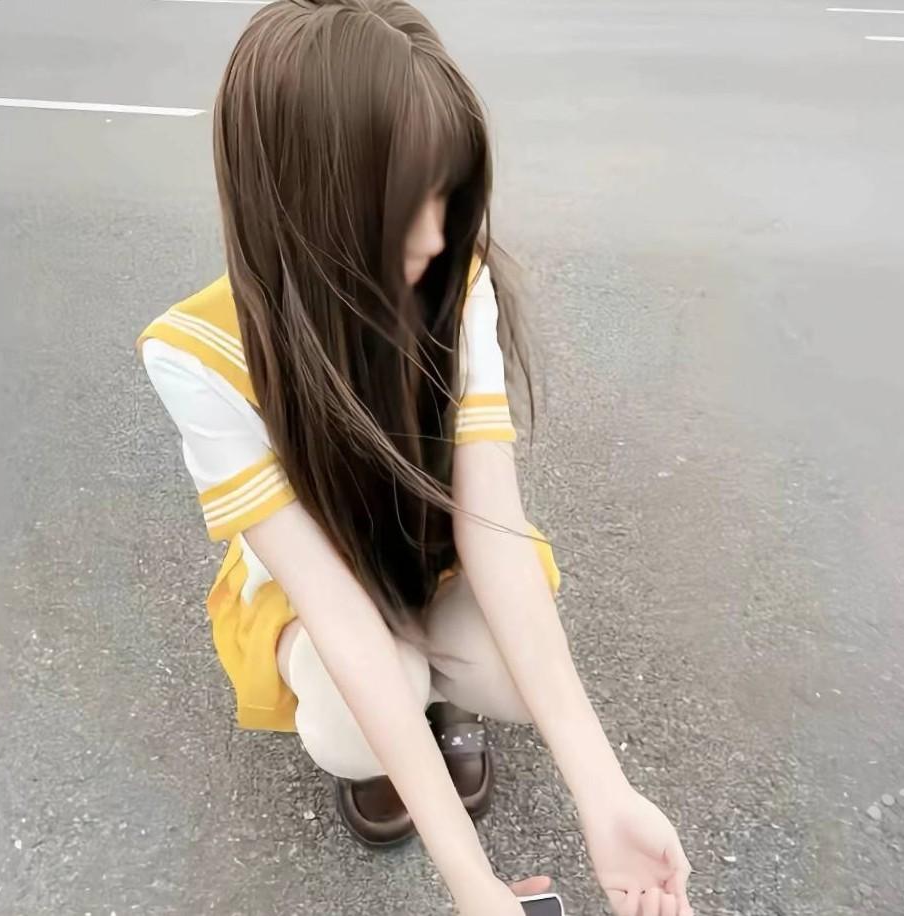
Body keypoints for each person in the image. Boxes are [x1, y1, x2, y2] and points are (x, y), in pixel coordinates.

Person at [138, 2, 694, 914]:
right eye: (402, 208)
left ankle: (443, 693)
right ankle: (402, 727)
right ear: (300, 203)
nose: (438, 237)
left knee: (518, 673)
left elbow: (494, 526)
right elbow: (333, 608)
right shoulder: (197, 352)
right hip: (317, 592)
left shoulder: (453, 280)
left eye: (447, 193)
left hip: (438, 557)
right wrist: (472, 880)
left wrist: (607, 797)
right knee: (355, 719)